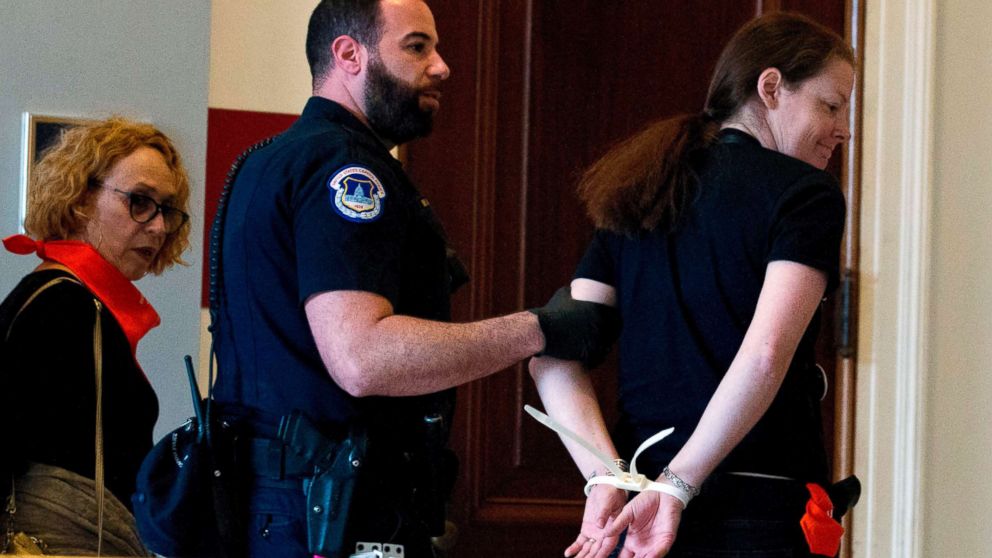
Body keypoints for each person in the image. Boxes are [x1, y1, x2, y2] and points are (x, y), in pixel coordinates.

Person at [209, 1, 617, 557]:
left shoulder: (271, 160)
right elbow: (362, 356)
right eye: (417, 46)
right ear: (348, 54)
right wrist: (541, 329)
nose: (442, 66)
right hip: (333, 519)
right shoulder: (346, 170)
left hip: (279, 511)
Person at [529, 11, 856, 558]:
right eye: (831, 105)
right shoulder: (805, 194)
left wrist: (604, 476)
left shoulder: (643, 187)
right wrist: (677, 487)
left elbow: (553, 353)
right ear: (771, 87)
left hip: (635, 517)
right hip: (755, 512)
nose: (844, 128)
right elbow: (765, 354)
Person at [0, 117, 191, 555]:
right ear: (81, 200)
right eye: (140, 202)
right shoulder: (64, 307)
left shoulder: (67, 299)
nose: (159, 227)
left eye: (167, 209)